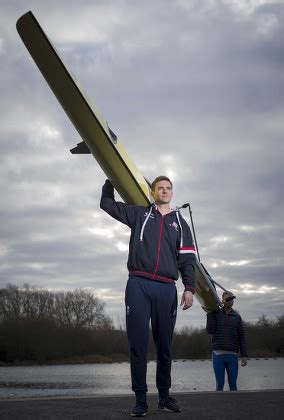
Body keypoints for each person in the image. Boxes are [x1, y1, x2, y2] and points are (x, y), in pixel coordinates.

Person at [100, 176, 196, 416]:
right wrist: (110, 179)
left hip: (166, 288)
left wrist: (189, 288)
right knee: (138, 346)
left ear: (172, 193)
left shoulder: (180, 224)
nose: (164, 191)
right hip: (138, 285)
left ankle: (164, 398)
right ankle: (140, 400)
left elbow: (187, 260)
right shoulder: (140, 215)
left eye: (168, 188)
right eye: (160, 188)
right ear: (153, 192)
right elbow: (107, 204)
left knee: (165, 346)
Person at [206, 291, 248, 391]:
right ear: (223, 301)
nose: (230, 301)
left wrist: (244, 355)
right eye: (228, 299)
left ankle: (235, 406)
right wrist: (209, 314)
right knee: (219, 384)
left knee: (233, 384)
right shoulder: (215, 314)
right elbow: (210, 330)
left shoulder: (237, 317)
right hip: (218, 355)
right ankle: (218, 406)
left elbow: (242, 336)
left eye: (232, 299)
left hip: (232, 356)